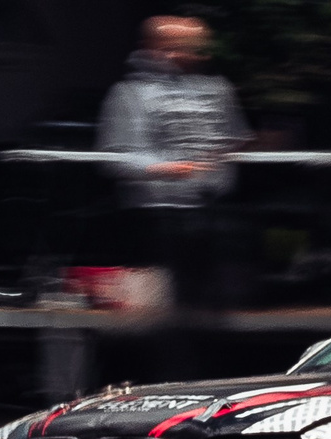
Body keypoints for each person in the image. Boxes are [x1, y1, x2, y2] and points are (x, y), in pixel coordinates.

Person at [96, 14, 249, 373]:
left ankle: (203, 377)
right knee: (159, 310)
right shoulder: (130, 93)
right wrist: (163, 168)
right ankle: (159, 378)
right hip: (155, 214)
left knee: (205, 308)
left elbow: (233, 139)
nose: (194, 54)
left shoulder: (216, 89)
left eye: (197, 46)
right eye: (184, 46)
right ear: (157, 48)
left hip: (207, 209)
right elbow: (115, 155)